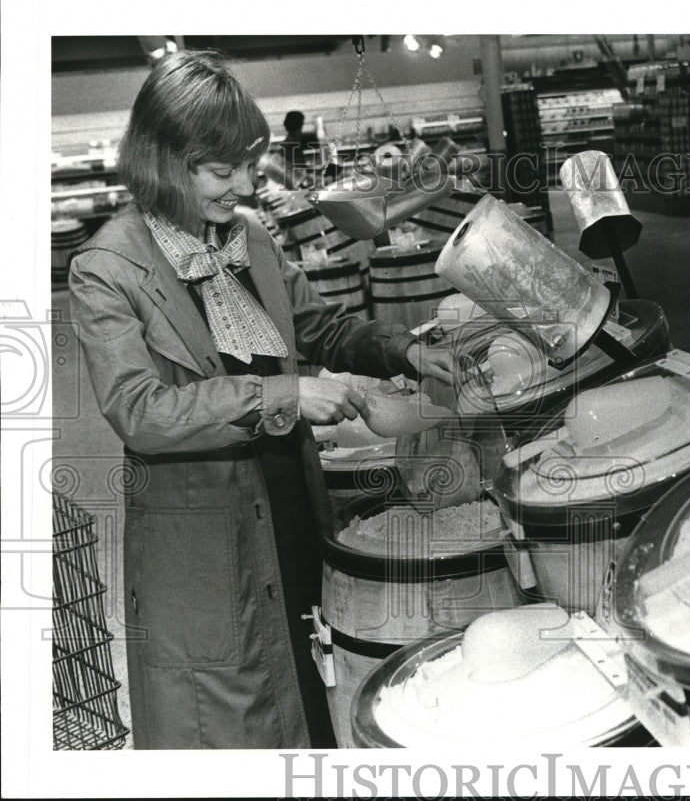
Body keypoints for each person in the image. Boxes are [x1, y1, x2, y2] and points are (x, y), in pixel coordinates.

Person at [67, 50, 454, 750]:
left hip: (294, 515)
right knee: (233, 721)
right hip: (207, 550)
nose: (245, 185)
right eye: (224, 170)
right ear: (163, 162)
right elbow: (141, 410)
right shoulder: (108, 269)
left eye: (251, 163)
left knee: (312, 691)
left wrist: (405, 350)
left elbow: (315, 326)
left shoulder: (249, 238)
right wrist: (281, 392)